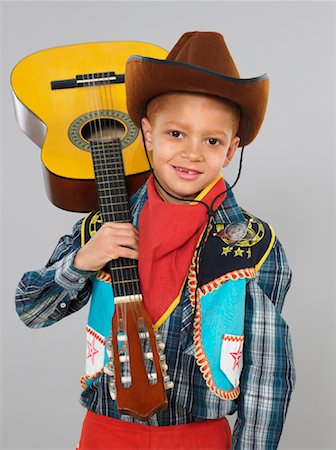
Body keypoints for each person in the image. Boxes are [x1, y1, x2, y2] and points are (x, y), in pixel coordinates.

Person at [15, 31, 295, 449]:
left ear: (231, 150)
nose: (193, 153)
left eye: (212, 140)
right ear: (147, 134)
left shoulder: (256, 246)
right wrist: (82, 261)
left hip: (199, 437)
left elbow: (267, 374)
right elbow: (31, 311)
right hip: (105, 433)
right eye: (176, 134)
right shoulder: (100, 227)